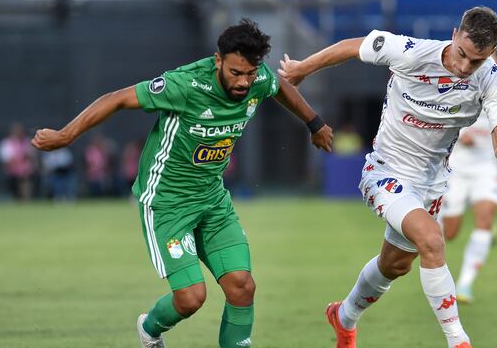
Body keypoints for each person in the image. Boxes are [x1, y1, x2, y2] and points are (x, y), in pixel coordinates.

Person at [31, 18, 333, 348]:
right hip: (167, 203)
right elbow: (116, 98)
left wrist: (314, 123)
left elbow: (277, 84)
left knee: (242, 286)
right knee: (191, 298)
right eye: (235, 73)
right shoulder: (185, 85)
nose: (244, 82)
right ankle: (149, 329)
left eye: (249, 73)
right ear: (218, 60)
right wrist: (65, 136)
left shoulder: (256, 77)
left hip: (212, 200)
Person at [279, 6, 497, 348]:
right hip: (385, 172)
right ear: (455, 35)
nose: (464, 67)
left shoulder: (490, 79)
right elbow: (355, 45)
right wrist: (301, 69)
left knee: (394, 266)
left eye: (477, 61)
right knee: (433, 240)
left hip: (432, 184)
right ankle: (459, 341)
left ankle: (344, 316)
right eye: (462, 55)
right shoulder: (411, 52)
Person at [440, 52, 497, 304]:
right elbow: (441, 117)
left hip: (486, 164)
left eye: (494, 61)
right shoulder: (457, 85)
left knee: (485, 219)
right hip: (456, 164)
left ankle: (464, 285)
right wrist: (458, 132)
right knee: (451, 231)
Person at [0, 122, 37, 200]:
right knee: (15, 191)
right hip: (13, 171)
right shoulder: (7, 143)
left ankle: (26, 200)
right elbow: (6, 158)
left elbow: (31, 155)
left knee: (26, 185)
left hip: (26, 171)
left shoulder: (26, 142)